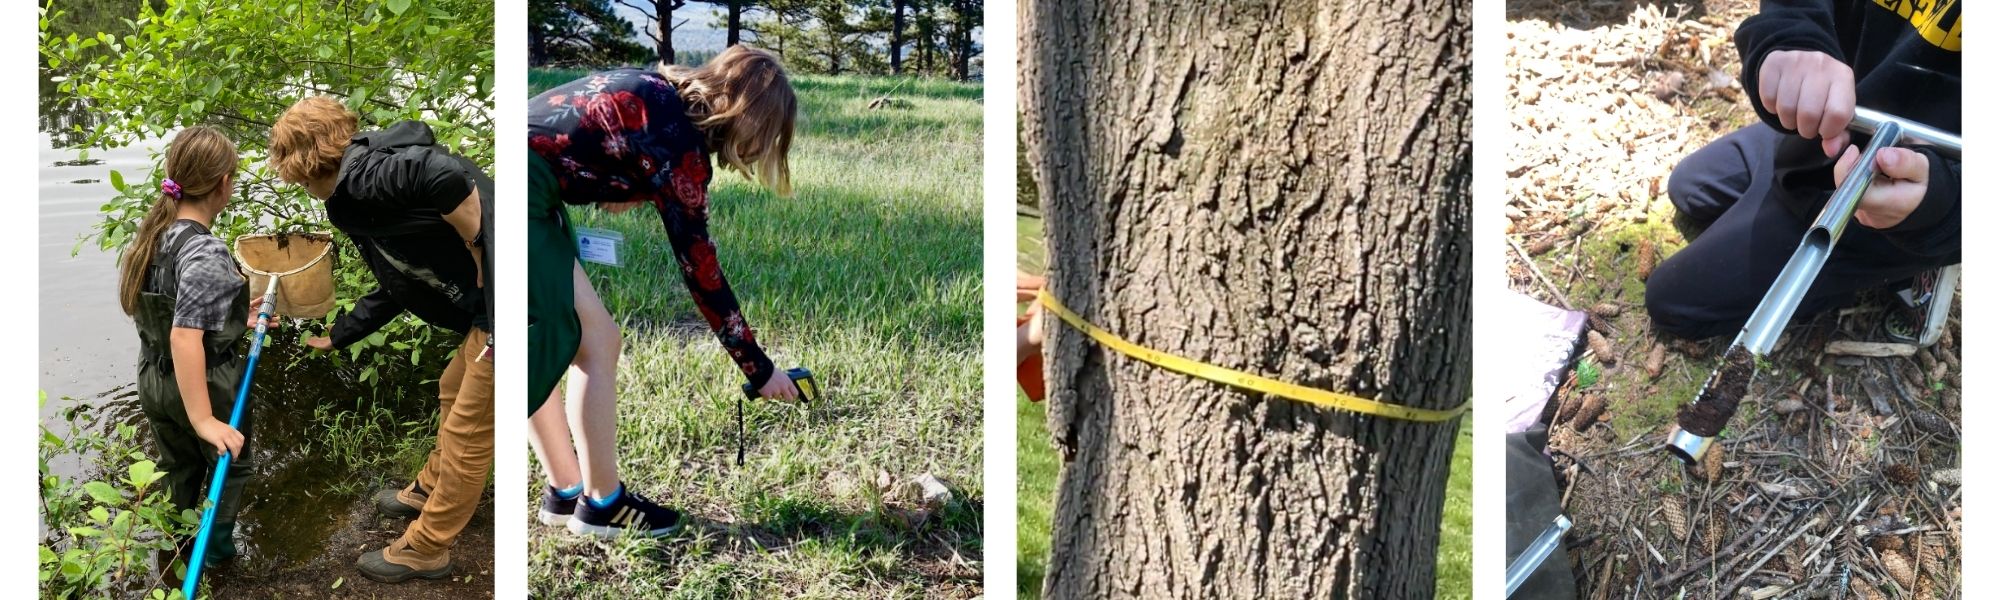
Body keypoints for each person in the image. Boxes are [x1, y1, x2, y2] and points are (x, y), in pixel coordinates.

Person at [526, 45, 800, 539]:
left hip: (517, 188)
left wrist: (617, 184)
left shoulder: (654, 89)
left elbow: (577, 133)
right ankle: (602, 505)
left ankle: (565, 491)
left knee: (551, 339)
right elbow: (703, 274)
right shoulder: (681, 152)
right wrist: (760, 370)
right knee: (592, 344)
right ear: (751, 118)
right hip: (520, 199)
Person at [268, 97, 494, 582]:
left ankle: (427, 549)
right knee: (454, 387)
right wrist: (341, 334)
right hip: (488, 308)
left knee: (468, 438)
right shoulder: (360, 177)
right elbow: (402, 277)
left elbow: (445, 177)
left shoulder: (362, 179)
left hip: (516, 305)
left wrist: (482, 250)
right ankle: (426, 489)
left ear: (302, 162)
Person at [1645, 1, 1959, 340]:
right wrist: (1793, 31)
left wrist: (1944, 202)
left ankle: (1899, 268)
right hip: (1828, 130)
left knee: (1673, 303)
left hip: (1904, 200)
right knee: (1689, 188)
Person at [120, 126, 277, 571]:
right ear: (224, 182)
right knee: (232, 464)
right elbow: (184, 335)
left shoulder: (155, 234)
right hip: (203, 382)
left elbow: (174, 312)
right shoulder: (206, 250)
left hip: (154, 380)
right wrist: (204, 418)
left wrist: (233, 316)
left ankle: (174, 545)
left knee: (178, 467)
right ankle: (215, 554)